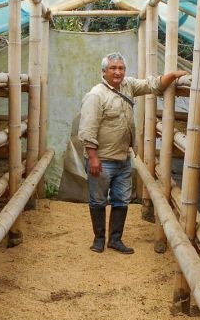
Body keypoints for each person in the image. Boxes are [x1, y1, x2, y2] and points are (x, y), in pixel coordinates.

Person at [78, 52, 187, 254]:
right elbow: (87, 129)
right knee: (98, 200)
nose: (118, 72)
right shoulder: (96, 95)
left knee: (121, 199)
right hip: (101, 160)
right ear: (104, 72)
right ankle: (99, 239)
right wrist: (93, 157)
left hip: (123, 158)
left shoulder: (127, 86)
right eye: (113, 68)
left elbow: (151, 85)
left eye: (121, 68)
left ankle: (115, 240)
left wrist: (171, 75)